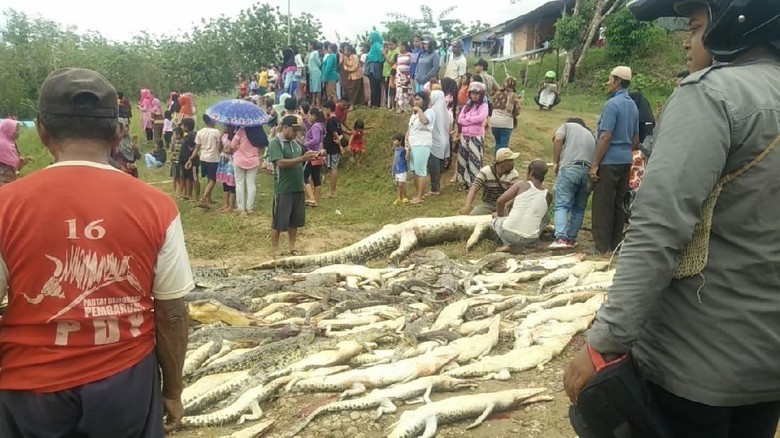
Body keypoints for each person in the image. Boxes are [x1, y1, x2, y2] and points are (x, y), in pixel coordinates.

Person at [564, 1, 780, 437]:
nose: (686, 40)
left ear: (732, 23)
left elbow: (657, 230)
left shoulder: (711, 95)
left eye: (695, 27)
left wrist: (605, 340)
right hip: (766, 370)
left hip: (694, 365)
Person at [0, 67, 193, 437]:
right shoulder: (157, 206)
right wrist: (172, 390)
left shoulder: (6, 206)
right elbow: (171, 313)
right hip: (126, 387)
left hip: (30, 390)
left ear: (41, 130)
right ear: (118, 131)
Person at [589, 66, 640, 255]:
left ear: (617, 81)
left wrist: (595, 164)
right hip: (626, 160)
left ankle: (601, 246)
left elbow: (605, 136)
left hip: (609, 161)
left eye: (610, 79)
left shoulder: (612, 104)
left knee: (603, 204)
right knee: (619, 203)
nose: (608, 83)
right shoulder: (633, 105)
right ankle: (615, 244)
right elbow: (635, 138)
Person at [267, 115, 319, 257]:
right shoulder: (276, 143)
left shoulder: (296, 143)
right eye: (294, 130)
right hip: (283, 188)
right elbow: (280, 163)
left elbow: (303, 156)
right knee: (278, 220)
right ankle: (275, 248)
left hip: (297, 187)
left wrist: (314, 155)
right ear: (285, 127)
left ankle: (292, 246)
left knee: (294, 220)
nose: (296, 133)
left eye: (298, 131)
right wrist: (302, 158)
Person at [549, 118, 597, 249]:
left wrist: (555, 162)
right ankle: (571, 239)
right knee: (579, 208)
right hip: (588, 172)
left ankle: (560, 238)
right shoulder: (592, 134)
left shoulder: (567, 126)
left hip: (570, 168)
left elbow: (558, 139)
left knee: (562, 205)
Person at [492, 159, 552, 252]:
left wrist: (500, 216)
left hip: (509, 234)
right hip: (531, 239)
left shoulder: (522, 184)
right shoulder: (548, 196)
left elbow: (500, 202)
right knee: (546, 216)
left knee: (495, 220)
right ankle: (525, 245)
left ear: (531, 172)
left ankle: (507, 243)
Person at [459, 148, 521, 215]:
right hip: (489, 204)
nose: (513, 163)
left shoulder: (514, 174)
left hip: (506, 205)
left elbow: (512, 195)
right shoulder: (486, 171)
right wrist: (467, 206)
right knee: (474, 215)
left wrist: (503, 210)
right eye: (510, 160)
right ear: (501, 162)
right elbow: (474, 188)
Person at [456, 82, 489, 191]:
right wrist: (471, 121)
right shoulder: (466, 106)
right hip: (465, 135)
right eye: (472, 93)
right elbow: (460, 119)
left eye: (477, 93)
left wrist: (468, 120)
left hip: (476, 136)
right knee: (463, 159)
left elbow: (481, 119)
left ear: (481, 94)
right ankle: (464, 182)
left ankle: (475, 183)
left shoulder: (484, 106)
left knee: (474, 159)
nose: (474, 95)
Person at [406, 91, 435, 205]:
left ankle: (420, 196)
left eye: (418, 99)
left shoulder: (429, 112)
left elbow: (425, 121)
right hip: (412, 143)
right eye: (415, 99)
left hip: (422, 143)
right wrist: (406, 141)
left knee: (421, 170)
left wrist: (419, 110)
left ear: (424, 100)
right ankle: (417, 193)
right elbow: (410, 128)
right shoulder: (413, 115)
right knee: (414, 170)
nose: (416, 101)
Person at [188, 114, 223, 208]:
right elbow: (219, 148)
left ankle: (209, 198)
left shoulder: (200, 132)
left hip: (203, 158)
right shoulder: (216, 132)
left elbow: (197, 147)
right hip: (213, 159)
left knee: (208, 178)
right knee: (213, 180)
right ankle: (203, 197)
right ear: (212, 121)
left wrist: (191, 158)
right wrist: (221, 142)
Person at [230, 126, 265, 214]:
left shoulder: (241, 130)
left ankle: (241, 207)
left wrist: (239, 145)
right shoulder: (259, 131)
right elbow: (262, 147)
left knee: (239, 183)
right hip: (253, 161)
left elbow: (232, 145)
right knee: (251, 184)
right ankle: (250, 208)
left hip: (239, 159)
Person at [490, 76, 522, 155]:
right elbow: (517, 111)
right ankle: (500, 160)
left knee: (498, 143)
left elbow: (492, 105)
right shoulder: (513, 96)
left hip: (494, 122)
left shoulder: (497, 93)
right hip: (506, 123)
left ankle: (496, 158)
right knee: (503, 146)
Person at [428, 90, 451, 196]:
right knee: (439, 165)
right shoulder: (446, 112)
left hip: (435, 141)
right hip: (445, 141)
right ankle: (437, 186)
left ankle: (435, 189)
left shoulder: (432, 111)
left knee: (433, 166)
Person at [303, 108, 326, 207]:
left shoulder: (316, 126)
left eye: (309, 115)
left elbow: (315, 140)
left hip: (312, 154)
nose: (308, 117)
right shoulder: (320, 125)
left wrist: (305, 144)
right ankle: (316, 200)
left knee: (304, 176)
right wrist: (304, 118)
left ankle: (311, 198)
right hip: (319, 154)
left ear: (314, 116)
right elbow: (309, 126)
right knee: (316, 177)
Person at [322, 100, 345, 198]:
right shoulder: (337, 120)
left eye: (324, 109)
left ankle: (332, 191)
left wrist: (339, 143)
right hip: (334, 147)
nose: (324, 111)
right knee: (332, 167)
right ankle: (332, 190)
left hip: (331, 148)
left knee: (332, 168)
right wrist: (339, 139)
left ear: (328, 109)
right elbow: (341, 134)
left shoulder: (330, 121)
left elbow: (335, 133)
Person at [0, 119, 30, 185]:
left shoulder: (10, 143)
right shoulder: (3, 145)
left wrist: (23, 161)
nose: (18, 132)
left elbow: (13, 165)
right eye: (16, 130)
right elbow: (6, 167)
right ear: (9, 130)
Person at [217, 126, 236, 212]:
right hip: (223, 161)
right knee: (225, 183)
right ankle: (226, 203)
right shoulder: (224, 136)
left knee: (231, 183)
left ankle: (231, 205)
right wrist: (220, 138)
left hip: (231, 161)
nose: (224, 128)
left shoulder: (234, 137)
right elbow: (219, 149)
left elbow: (230, 150)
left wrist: (224, 150)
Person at [365, 31, 385, 109]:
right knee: (373, 86)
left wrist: (378, 60)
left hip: (376, 67)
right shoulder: (373, 45)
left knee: (375, 85)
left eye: (371, 38)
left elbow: (381, 55)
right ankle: (373, 103)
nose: (370, 39)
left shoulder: (377, 45)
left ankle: (376, 104)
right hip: (373, 67)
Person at [179, 118, 197, 200]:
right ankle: (186, 194)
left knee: (192, 177)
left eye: (183, 125)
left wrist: (191, 152)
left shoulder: (192, 135)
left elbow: (196, 145)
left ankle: (193, 195)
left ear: (186, 127)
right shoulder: (187, 136)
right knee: (187, 177)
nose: (182, 127)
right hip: (184, 160)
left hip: (190, 160)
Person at [391, 132, 410, 205]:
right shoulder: (396, 150)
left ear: (400, 141)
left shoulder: (403, 150)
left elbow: (407, 158)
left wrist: (407, 151)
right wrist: (393, 170)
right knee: (397, 184)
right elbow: (394, 160)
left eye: (395, 140)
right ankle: (399, 197)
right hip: (396, 170)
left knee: (402, 184)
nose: (393, 142)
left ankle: (405, 197)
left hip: (402, 170)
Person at [395, 41, 413, 114]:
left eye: (400, 46)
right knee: (399, 92)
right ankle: (400, 108)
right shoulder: (399, 56)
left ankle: (407, 108)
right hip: (399, 76)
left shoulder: (410, 55)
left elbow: (412, 66)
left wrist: (409, 76)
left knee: (406, 92)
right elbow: (398, 66)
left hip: (406, 76)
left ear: (404, 47)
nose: (399, 48)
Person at [170, 127, 184, 197]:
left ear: (178, 134)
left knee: (180, 177)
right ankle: (174, 191)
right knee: (174, 176)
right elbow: (172, 150)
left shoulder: (183, 142)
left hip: (180, 162)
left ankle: (180, 191)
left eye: (174, 134)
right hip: (174, 161)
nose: (173, 136)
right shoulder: (174, 141)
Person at [308, 42, 323, 107]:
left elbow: (319, 63)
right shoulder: (312, 53)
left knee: (317, 89)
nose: (308, 46)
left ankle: (318, 103)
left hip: (316, 72)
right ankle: (313, 102)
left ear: (312, 45)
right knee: (313, 89)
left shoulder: (316, 53)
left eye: (309, 45)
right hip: (312, 73)